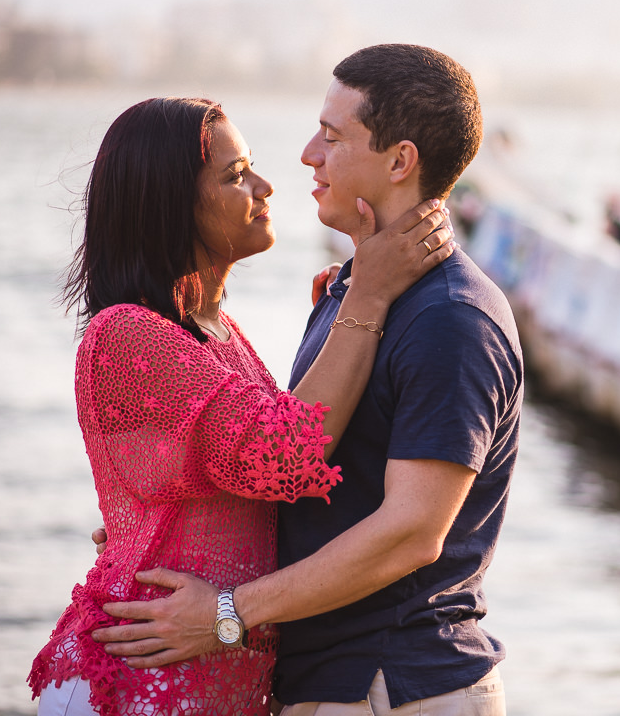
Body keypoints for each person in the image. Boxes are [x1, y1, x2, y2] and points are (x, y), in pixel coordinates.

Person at [90, 45, 524, 716]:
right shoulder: (357, 295)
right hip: (337, 683)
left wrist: (227, 612)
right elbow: (274, 468)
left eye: (332, 134)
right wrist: (168, 533)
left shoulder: (446, 317)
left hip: (394, 683)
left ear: (400, 161)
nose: (305, 156)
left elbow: (413, 531)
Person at [28, 96, 456, 715]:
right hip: (141, 676)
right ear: (171, 204)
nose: (266, 185)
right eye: (234, 175)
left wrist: (340, 312)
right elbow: (286, 455)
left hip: (205, 672)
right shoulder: (128, 332)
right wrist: (367, 294)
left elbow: (244, 470)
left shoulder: (216, 331)